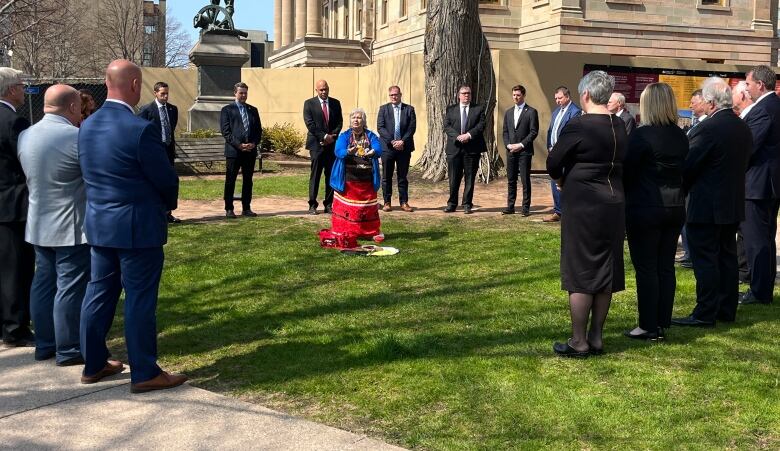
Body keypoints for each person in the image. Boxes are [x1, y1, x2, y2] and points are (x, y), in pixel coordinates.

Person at [79, 59, 186, 393]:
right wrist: (168, 203)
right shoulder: (140, 128)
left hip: (100, 224)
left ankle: (94, 363)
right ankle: (144, 371)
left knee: (98, 293)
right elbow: (165, 179)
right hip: (137, 227)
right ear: (136, 85)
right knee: (139, 299)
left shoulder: (86, 126)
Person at [546, 70, 627, 357]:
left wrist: (559, 179)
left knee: (581, 270)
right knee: (605, 269)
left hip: (584, 204)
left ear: (586, 95)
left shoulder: (580, 125)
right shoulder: (618, 124)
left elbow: (554, 160)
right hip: (614, 202)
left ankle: (578, 341)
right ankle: (596, 337)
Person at [17, 84, 89, 365]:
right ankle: (69, 348)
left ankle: (45, 343)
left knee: (43, 284)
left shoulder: (25, 135)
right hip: (70, 224)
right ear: (72, 107)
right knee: (69, 288)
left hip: (38, 222)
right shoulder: (75, 137)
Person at [671, 77, 752, 327]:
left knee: (705, 259)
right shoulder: (741, 126)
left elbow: (688, 165)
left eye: (705, 100)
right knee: (726, 257)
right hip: (731, 203)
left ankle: (705, 311)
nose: (703, 104)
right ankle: (726, 309)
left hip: (706, 205)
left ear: (712, 102)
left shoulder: (709, 129)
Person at [623, 83, 689, 340]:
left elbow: (628, 171)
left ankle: (648, 325)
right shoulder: (680, 135)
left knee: (647, 267)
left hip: (647, 207)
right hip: (675, 207)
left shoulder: (642, 136)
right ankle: (662, 320)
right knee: (665, 266)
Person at [740, 65, 780, 306]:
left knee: (757, 239)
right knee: (764, 237)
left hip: (758, 185)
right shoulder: (772, 106)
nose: (746, 88)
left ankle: (759, 291)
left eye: (748, 83)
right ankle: (761, 287)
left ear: (760, 85)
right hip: (767, 184)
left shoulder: (764, 109)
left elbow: (749, 146)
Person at [0, 67, 35, 347]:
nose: (24, 90)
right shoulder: (14, 122)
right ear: (11, 89)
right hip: (12, 205)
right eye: (22, 86)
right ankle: (14, 328)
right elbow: (25, 162)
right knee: (15, 268)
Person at [330, 108, 384, 241]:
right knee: (347, 207)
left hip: (366, 180)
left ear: (363, 121)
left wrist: (372, 152)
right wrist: (348, 151)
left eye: (359, 117)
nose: (356, 120)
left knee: (367, 208)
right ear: (350, 121)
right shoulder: (344, 136)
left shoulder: (371, 136)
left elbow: (378, 149)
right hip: (348, 180)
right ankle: (343, 230)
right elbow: (338, 150)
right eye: (353, 117)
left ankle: (370, 232)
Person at [138, 81, 181, 223]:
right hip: (154, 152)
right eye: (162, 93)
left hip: (168, 151)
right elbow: (141, 132)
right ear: (155, 93)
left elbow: (171, 127)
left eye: (167, 93)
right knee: (154, 182)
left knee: (169, 182)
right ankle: (154, 213)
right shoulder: (146, 110)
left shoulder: (173, 109)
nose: (165, 96)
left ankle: (168, 212)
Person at [676, 89, 709, 269]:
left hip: (696, 182)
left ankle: (692, 253)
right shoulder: (695, 125)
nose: (690, 106)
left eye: (693, 102)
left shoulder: (707, 126)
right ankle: (689, 252)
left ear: (704, 102)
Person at [220, 82, 262, 218]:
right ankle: (229, 208)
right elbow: (226, 132)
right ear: (235, 93)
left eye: (245, 93)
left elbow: (258, 130)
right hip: (234, 151)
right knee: (230, 180)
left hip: (250, 152)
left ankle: (246, 208)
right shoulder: (227, 110)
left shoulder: (253, 110)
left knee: (248, 180)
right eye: (241, 93)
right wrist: (239, 145)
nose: (243, 95)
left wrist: (253, 143)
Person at [443, 85, 487, 214]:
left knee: (470, 178)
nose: (466, 95)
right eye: (464, 93)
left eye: (468, 93)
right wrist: (458, 137)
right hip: (454, 148)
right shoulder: (451, 109)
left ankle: (467, 204)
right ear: (459, 95)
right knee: (453, 178)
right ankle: (452, 204)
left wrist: (468, 135)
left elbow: (481, 125)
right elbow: (447, 126)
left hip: (472, 148)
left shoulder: (478, 109)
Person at [303, 80, 343, 215]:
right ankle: (312, 205)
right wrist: (324, 137)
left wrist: (332, 137)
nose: (324, 92)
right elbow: (310, 124)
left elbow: (339, 122)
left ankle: (329, 204)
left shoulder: (336, 103)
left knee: (330, 175)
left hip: (331, 146)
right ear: (316, 90)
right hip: (316, 145)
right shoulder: (309, 104)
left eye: (326, 89)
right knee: (315, 175)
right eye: (321, 90)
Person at [376, 85, 416, 212]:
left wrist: (402, 141)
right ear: (389, 96)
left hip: (404, 148)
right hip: (388, 148)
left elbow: (411, 128)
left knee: (402, 176)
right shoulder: (383, 109)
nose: (394, 97)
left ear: (400, 95)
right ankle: (387, 202)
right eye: (391, 95)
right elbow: (380, 127)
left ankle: (404, 202)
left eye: (396, 94)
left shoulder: (409, 109)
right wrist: (393, 141)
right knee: (386, 177)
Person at [544, 86, 581, 222]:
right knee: (555, 180)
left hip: (566, 153)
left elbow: (572, 134)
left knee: (565, 182)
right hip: (554, 152)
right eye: (556, 99)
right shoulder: (556, 112)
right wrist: (549, 146)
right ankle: (558, 211)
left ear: (567, 96)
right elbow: (550, 131)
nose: (557, 101)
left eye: (559, 98)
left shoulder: (575, 112)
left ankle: (568, 211)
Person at [501, 84, 539, 216]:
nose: (515, 97)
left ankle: (525, 208)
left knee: (524, 180)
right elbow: (505, 131)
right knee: (511, 180)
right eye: (514, 95)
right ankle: (510, 206)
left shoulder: (531, 112)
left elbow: (534, 132)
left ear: (523, 95)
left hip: (524, 152)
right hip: (511, 151)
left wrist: (521, 145)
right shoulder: (508, 112)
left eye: (518, 95)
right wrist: (508, 145)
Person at [732, 80, 754, 284]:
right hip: (742, 185)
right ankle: (742, 269)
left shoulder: (751, 119)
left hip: (751, 185)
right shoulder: (743, 119)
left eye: (734, 93)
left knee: (748, 232)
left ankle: (746, 271)